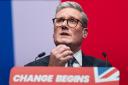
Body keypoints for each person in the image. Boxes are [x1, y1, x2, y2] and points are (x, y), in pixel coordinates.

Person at [25, 1, 111, 67]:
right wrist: (52, 71)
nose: (63, 25)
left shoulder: (102, 68)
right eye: (59, 20)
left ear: (84, 33)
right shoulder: (31, 69)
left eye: (72, 21)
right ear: (54, 33)